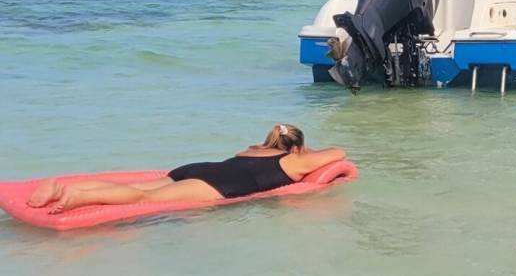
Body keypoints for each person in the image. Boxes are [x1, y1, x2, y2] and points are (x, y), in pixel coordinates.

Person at [27, 124, 346, 214]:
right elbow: (339, 152)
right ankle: (79, 198)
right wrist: (307, 153)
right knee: (142, 198)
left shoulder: (251, 149)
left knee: (143, 188)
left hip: (199, 168)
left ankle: (64, 188)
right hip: (222, 184)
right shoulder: (294, 159)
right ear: (295, 146)